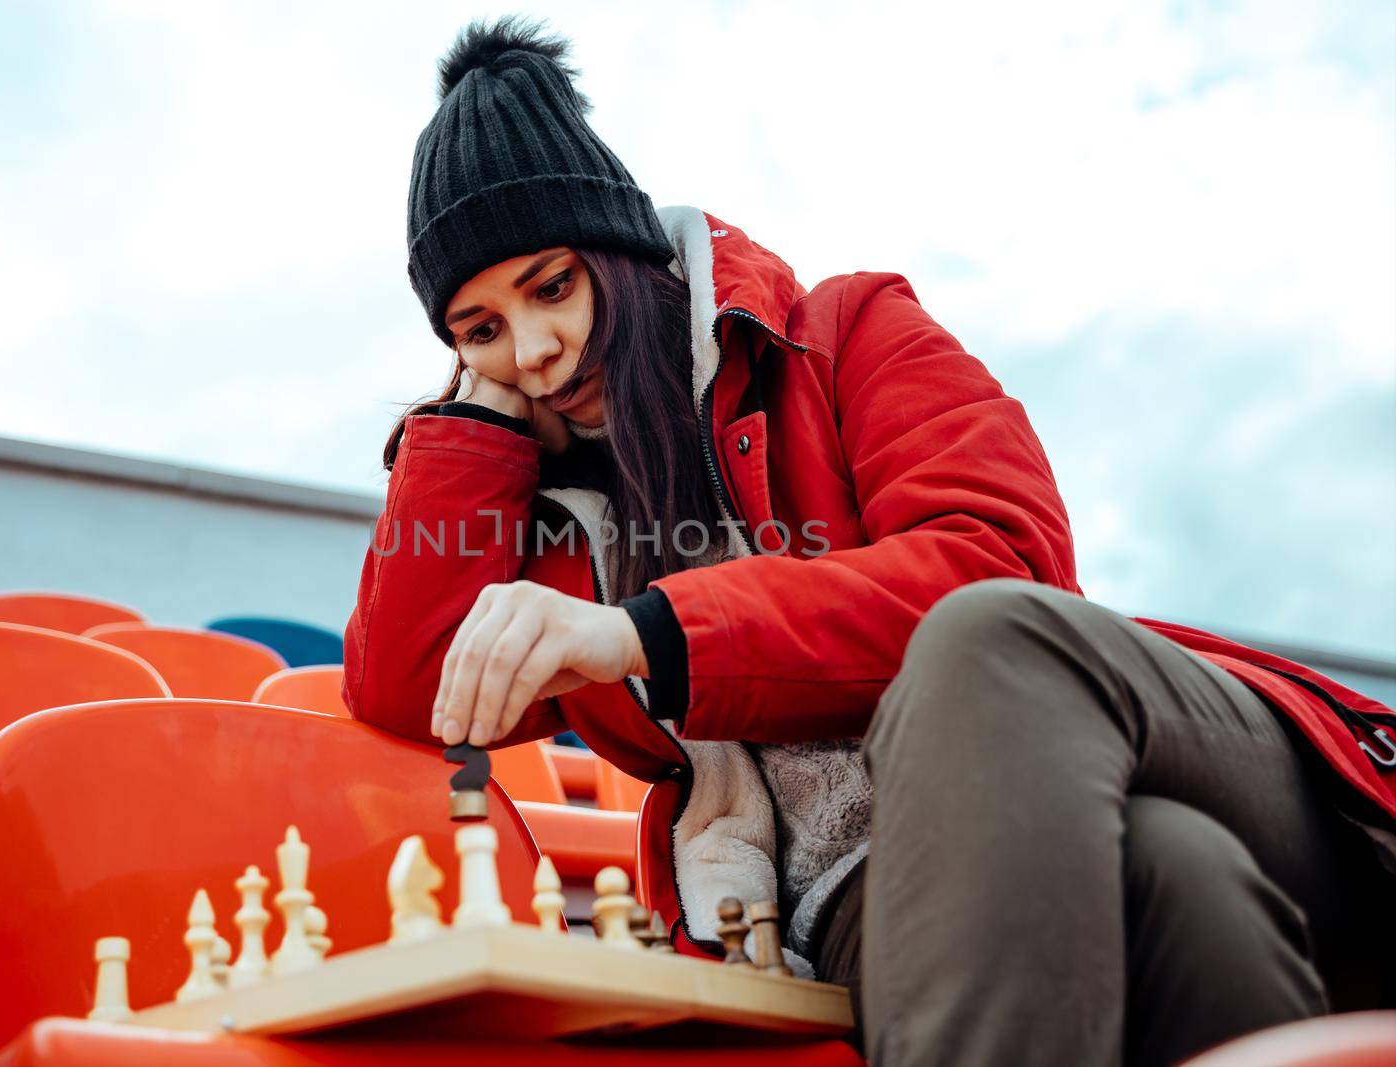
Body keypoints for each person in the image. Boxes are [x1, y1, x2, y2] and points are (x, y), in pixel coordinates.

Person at [344, 16, 1396, 1066]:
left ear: (621, 255)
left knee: (986, 642)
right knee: (1180, 875)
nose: (533, 350)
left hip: (1160, 754)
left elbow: (1004, 565)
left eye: (551, 285)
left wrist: (642, 635)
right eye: (478, 328)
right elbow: (406, 685)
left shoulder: (845, 332)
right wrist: (470, 428)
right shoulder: (552, 513)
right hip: (879, 887)